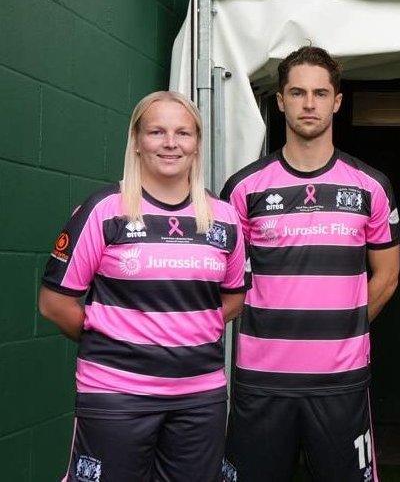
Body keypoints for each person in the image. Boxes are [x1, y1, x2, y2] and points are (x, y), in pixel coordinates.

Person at [38, 91, 247, 481]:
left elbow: (234, 298)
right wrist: (115, 336)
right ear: (136, 141)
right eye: (157, 132)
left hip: (199, 397)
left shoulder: (224, 218)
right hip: (116, 394)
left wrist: (182, 333)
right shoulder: (104, 210)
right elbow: (54, 304)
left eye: (183, 133)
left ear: (197, 144)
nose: (171, 143)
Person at [221, 46, 400, 481]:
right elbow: (226, 284)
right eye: (297, 92)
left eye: (320, 93)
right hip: (262, 380)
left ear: (336, 101)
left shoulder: (370, 186)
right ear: (280, 100)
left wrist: (343, 328)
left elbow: (388, 276)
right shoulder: (244, 188)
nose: (309, 103)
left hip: (341, 381)